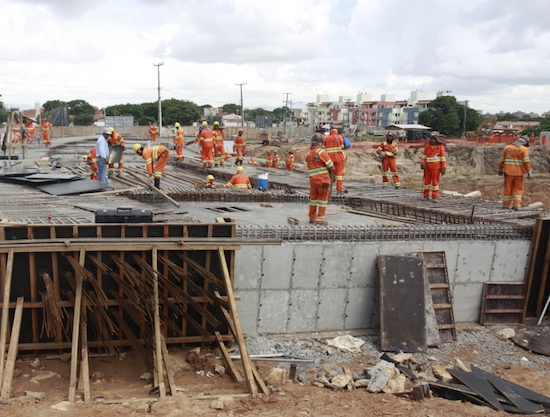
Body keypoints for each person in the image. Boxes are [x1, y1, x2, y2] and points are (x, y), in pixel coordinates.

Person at [306, 132, 335, 225]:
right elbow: (331, 166)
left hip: (313, 181)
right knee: (323, 200)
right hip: (323, 181)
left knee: (313, 199)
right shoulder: (322, 152)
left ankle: (312, 218)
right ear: (321, 142)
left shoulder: (309, 153)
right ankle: (320, 220)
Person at [498, 135, 532, 210]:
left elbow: (502, 160)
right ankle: (516, 205)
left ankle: (506, 205)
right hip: (519, 173)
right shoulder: (523, 149)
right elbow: (526, 162)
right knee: (518, 189)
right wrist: (529, 171)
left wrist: (500, 169)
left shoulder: (507, 148)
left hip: (508, 173)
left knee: (507, 189)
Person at [421, 132, 446, 201]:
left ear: (437, 139)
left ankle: (435, 196)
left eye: (434, 139)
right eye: (431, 139)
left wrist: (443, 167)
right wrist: (422, 163)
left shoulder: (440, 147)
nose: (432, 140)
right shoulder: (427, 147)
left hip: (436, 168)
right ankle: (426, 195)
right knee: (426, 182)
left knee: (435, 183)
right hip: (428, 167)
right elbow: (424, 156)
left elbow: (443, 158)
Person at [323, 127, 345, 193]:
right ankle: (339, 190)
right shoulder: (340, 137)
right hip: (339, 159)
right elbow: (342, 147)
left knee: (329, 175)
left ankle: (328, 190)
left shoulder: (326, 138)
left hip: (329, 160)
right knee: (339, 175)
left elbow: (323, 148)